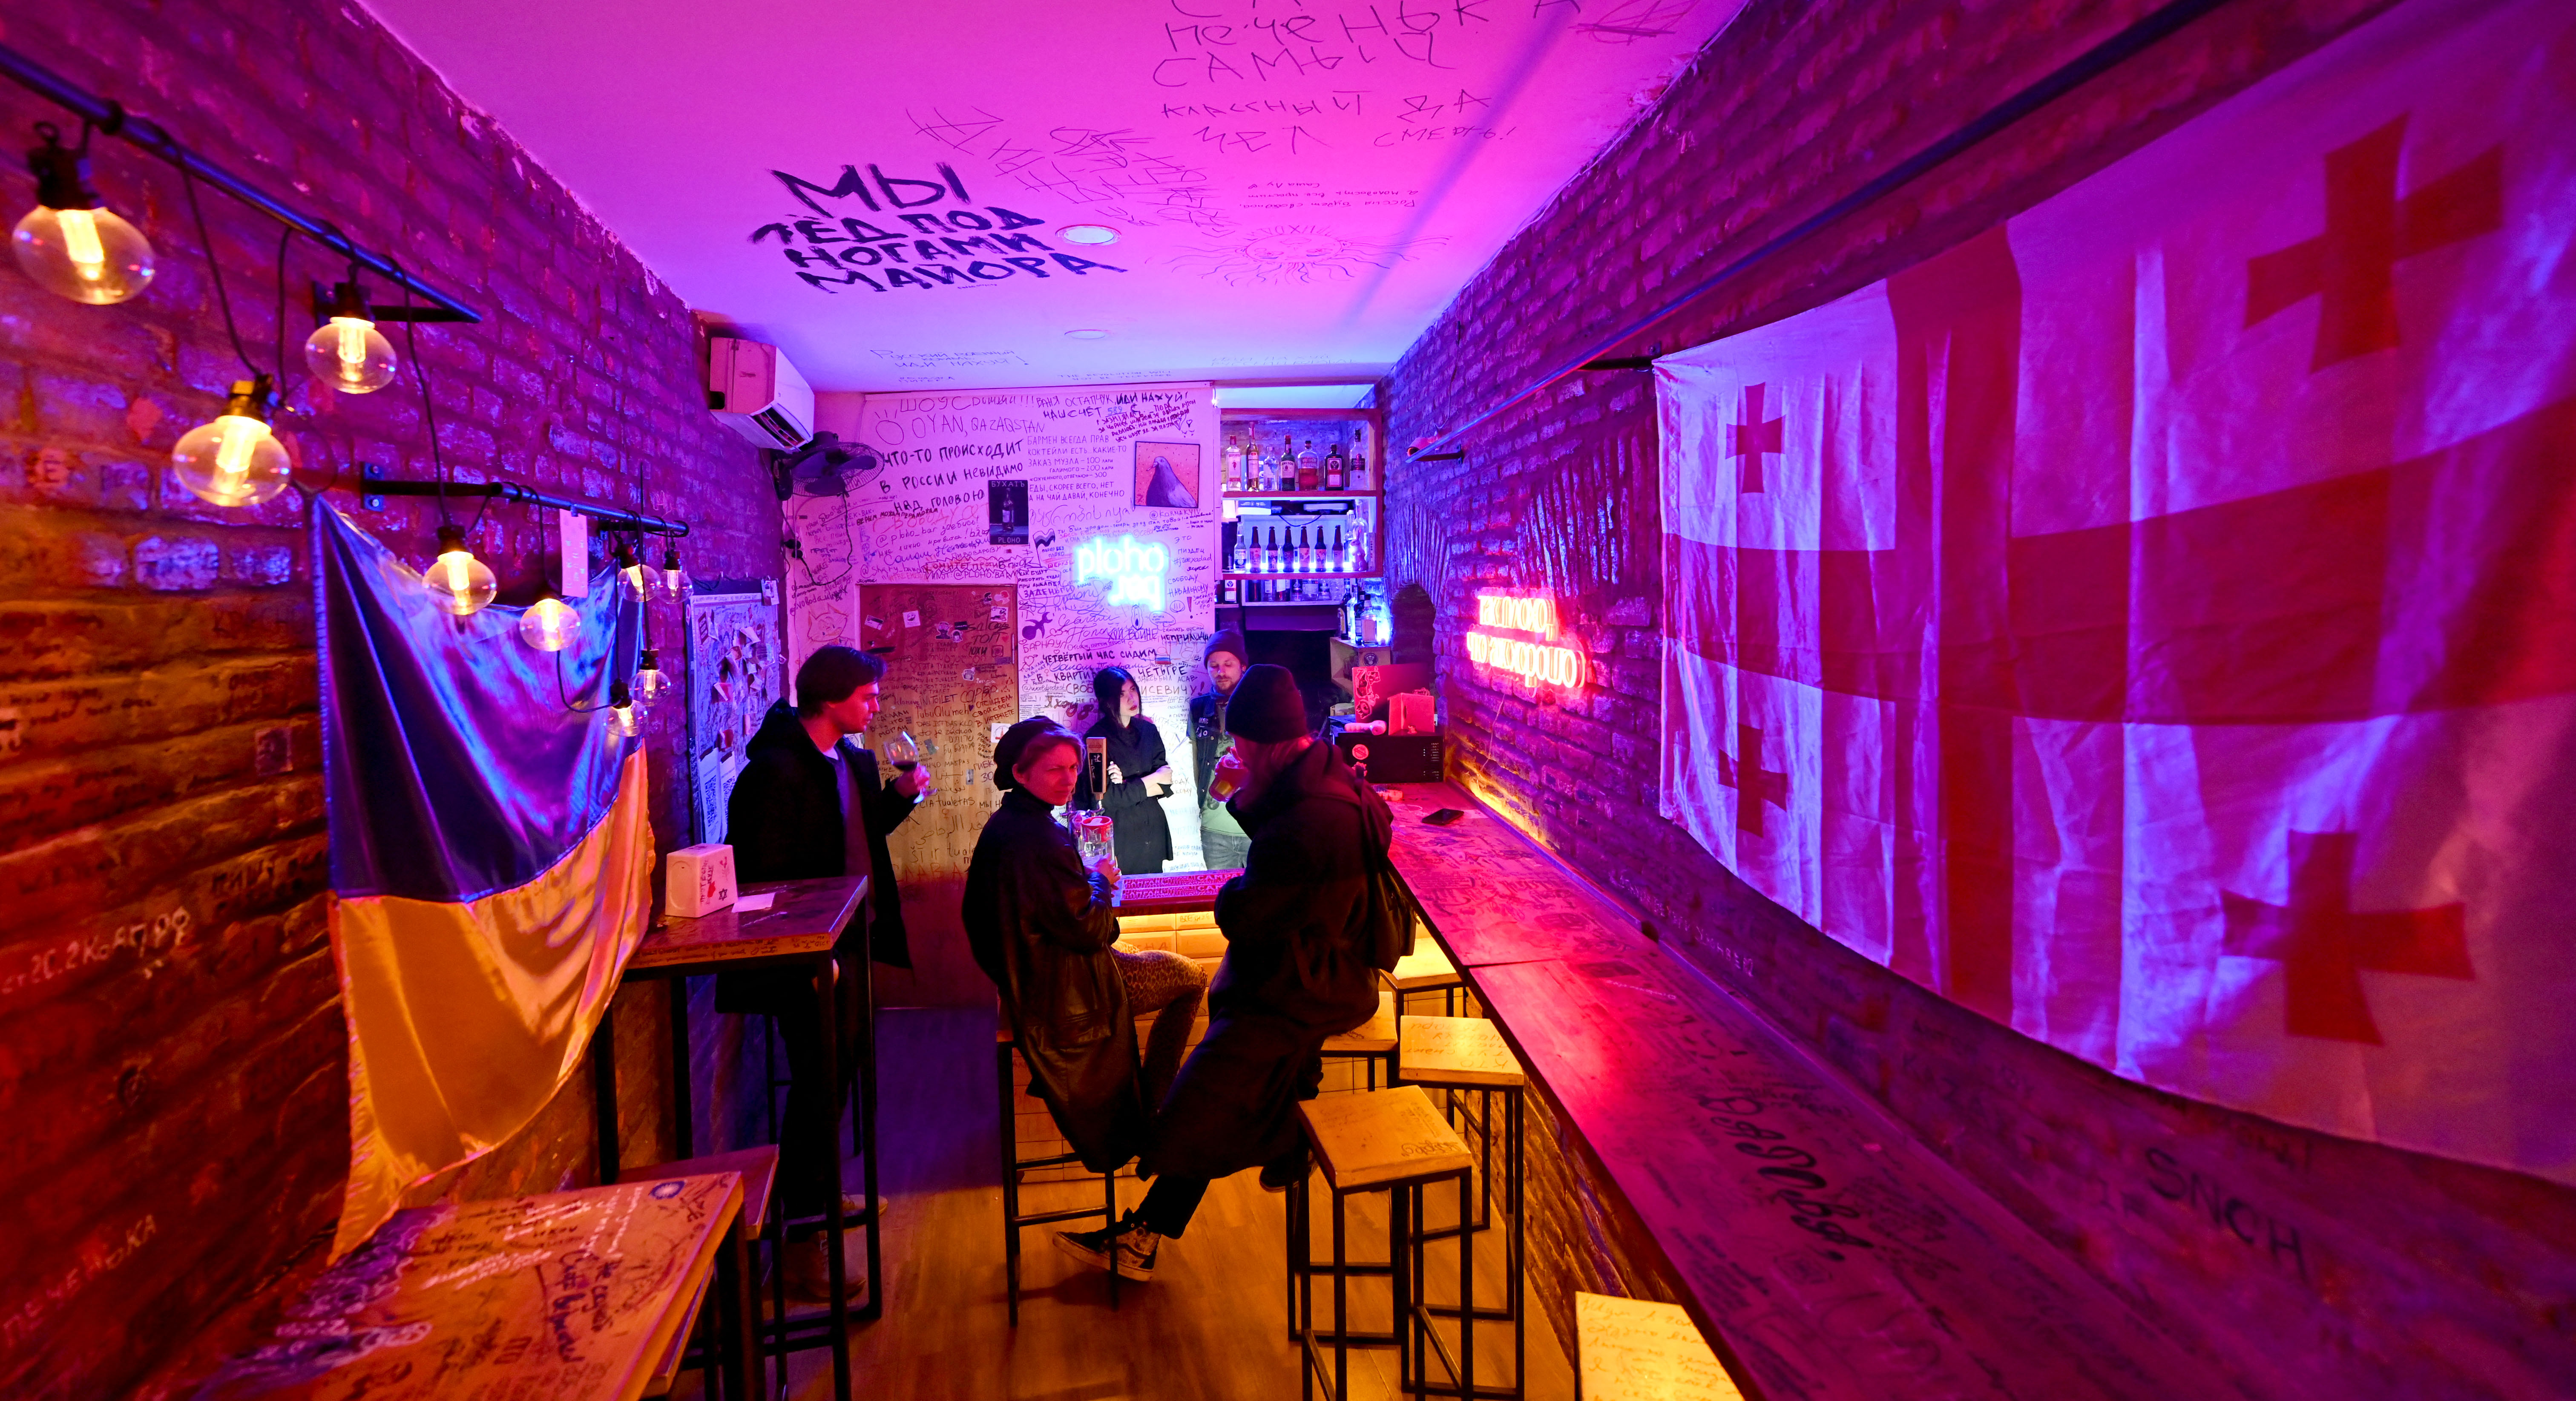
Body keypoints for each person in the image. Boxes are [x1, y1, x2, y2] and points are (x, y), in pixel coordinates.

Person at [1056, 664, 1389, 1284]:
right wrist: (1244, 800)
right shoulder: (1325, 775)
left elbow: (1251, 913)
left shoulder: (1310, 817)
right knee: (1235, 1099)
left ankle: (1281, 1143)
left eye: (1240, 742)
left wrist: (1230, 892)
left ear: (1263, 741)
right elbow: (1300, 867)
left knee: (1204, 1101)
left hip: (1304, 989)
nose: (1233, 749)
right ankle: (1157, 1227)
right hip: (1325, 971)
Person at [720, 644, 931, 1300]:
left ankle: (816, 1196)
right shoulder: (776, 772)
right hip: (810, 955)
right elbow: (763, 876)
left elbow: (862, 834)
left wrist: (901, 796)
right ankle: (799, 1241)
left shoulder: (852, 761)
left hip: (853, 939)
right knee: (816, 1083)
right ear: (830, 697)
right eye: (866, 696)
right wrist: (808, 956)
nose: (874, 705)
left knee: (838, 1076)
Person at [966, 720, 1208, 1176]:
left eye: (1074, 768)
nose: (1069, 779)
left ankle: (1145, 1103)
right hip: (1066, 990)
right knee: (1192, 978)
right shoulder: (1037, 838)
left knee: (1154, 959)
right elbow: (1093, 932)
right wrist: (1101, 879)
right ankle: (1154, 1112)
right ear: (1021, 774)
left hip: (1041, 976)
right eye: (1055, 770)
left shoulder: (1014, 823)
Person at [1069, 665, 1174, 876]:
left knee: (1154, 899)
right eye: (1122, 694)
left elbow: (1166, 782)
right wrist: (1150, 781)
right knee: (1121, 898)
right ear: (1107, 701)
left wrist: (1127, 785)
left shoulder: (1149, 730)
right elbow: (1104, 800)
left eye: (1133, 689)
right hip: (1121, 836)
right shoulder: (1096, 740)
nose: (1131, 698)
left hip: (1152, 831)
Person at [1189, 632, 1251, 871]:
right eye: (1214, 666)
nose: (1221, 671)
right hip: (1214, 829)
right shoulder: (1198, 708)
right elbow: (1195, 764)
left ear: (1243, 666)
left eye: (1228, 664)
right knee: (1221, 901)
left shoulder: (1259, 705)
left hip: (1255, 824)